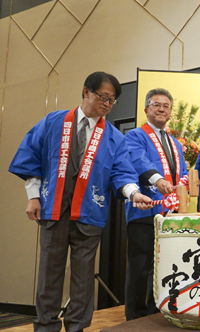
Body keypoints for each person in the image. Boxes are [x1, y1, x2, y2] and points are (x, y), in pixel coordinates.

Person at [9, 72, 152, 332]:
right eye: (103, 97)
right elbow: (31, 156)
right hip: (54, 209)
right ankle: (45, 326)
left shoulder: (113, 137)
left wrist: (134, 194)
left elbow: (123, 173)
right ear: (86, 92)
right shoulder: (54, 122)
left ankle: (77, 327)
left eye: (112, 100)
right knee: (49, 275)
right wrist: (33, 197)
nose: (108, 104)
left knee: (83, 277)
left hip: (90, 212)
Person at [123, 88, 188, 320]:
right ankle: (135, 317)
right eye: (156, 104)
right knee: (141, 266)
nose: (161, 109)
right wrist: (158, 180)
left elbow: (183, 170)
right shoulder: (134, 136)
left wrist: (182, 184)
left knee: (164, 266)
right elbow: (139, 160)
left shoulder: (175, 143)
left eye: (166, 106)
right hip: (143, 212)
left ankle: (154, 314)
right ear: (146, 109)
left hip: (169, 215)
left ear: (170, 112)